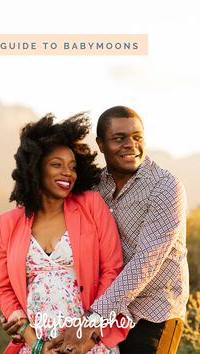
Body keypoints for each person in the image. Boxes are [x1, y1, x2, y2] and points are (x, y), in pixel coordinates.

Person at [47, 106, 189, 354]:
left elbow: (145, 263)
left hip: (153, 313)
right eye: (119, 138)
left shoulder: (166, 188)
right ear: (101, 144)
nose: (130, 145)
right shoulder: (94, 186)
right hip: (105, 311)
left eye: (137, 137)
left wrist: (92, 319)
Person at [0, 113, 130, 354]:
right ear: (36, 167)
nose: (68, 172)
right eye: (57, 164)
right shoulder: (8, 222)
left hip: (86, 341)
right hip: (36, 344)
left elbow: (112, 269)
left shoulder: (91, 206)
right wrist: (35, 344)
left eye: (73, 166)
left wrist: (85, 331)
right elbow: (3, 289)